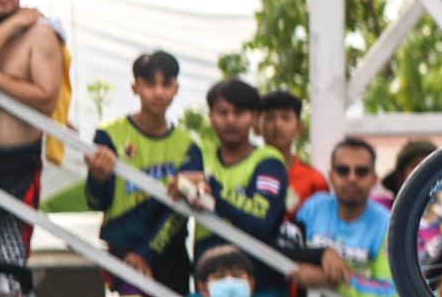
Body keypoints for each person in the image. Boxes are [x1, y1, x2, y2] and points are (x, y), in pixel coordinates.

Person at [85, 51, 202, 297]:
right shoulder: (109, 135)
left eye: (166, 84)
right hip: (123, 254)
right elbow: (96, 202)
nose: (158, 92)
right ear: (135, 87)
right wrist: (97, 179)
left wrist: (146, 253)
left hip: (171, 256)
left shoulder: (188, 147)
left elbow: (181, 211)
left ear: (176, 88)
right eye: (150, 84)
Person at [0, 0, 64, 296]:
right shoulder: (20, 26)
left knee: (7, 273)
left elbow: (45, 98)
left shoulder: (39, 33)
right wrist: (9, 29)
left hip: (17, 168)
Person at [190, 81, 288, 297]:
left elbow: (262, 221)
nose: (230, 120)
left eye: (239, 112)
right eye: (222, 112)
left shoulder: (269, 161)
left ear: (255, 118)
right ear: (211, 116)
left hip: (262, 285)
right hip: (208, 282)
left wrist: (214, 190)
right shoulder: (199, 156)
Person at [289, 140, 390, 297]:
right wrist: (322, 253)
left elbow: (390, 291)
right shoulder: (313, 207)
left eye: (361, 171)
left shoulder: (386, 223)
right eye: (343, 170)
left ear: (375, 179)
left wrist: (331, 280)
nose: (351, 178)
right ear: (330, 176)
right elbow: (286, 248)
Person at [253, 91, 324, 220]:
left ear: (299, 128)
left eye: (286, 118)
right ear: (256, 127)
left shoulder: (315, 180)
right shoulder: (245, 170)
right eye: (270, 118)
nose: (278, 125)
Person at [367, 139, 428, 210]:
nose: (424, 173)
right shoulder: (379, 208)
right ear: (400, 175)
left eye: (430, 167)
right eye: (415, 166)